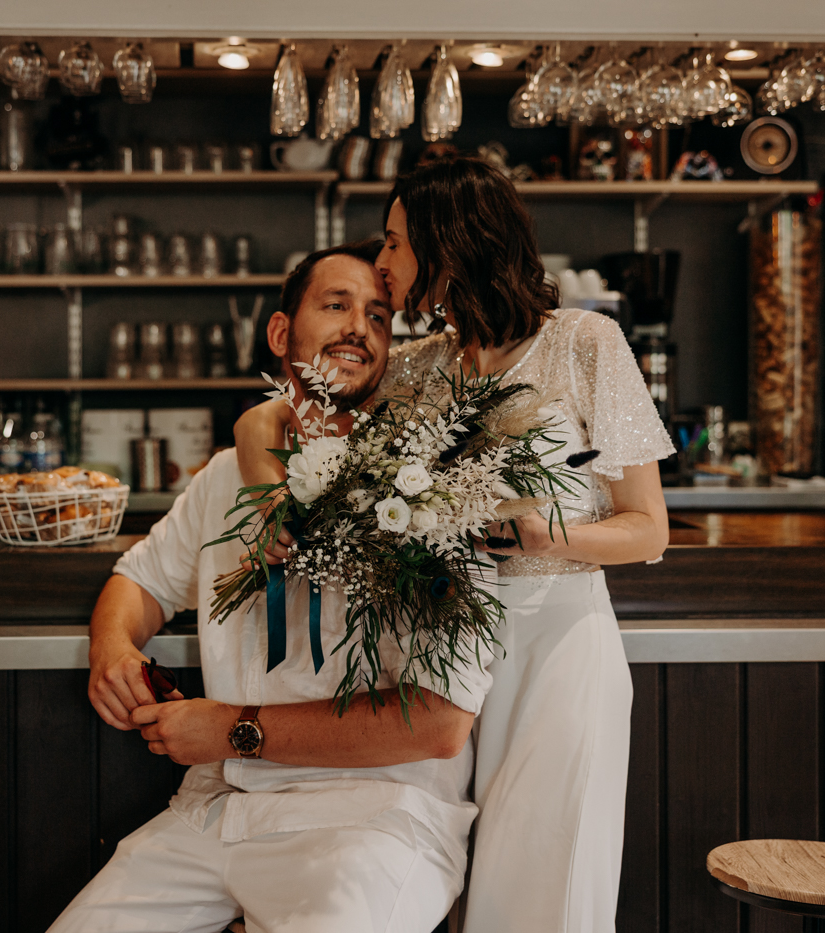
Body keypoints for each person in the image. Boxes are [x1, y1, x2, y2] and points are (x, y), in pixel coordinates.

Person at [236, 156, 673, 933]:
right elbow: (272, 414)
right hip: (445, 656)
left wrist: (550, 531)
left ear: (452, 245)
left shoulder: (585, 343)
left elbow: (648, 528)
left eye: (396, 243)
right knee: (472, 884)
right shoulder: (418, 368)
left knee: (550, 882)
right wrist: (272, 496)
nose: (382, 263)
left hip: (558, 651)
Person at [48, 241, 496, 933]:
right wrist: (111, 646)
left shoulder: (431, 485)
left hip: (374, 822)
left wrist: (231, 727)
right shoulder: (228, 474)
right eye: (336, 305)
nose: (358, 327)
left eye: (378, 316)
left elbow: (441, 722)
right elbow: (139, 579)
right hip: (213, 811)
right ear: (282, 332)